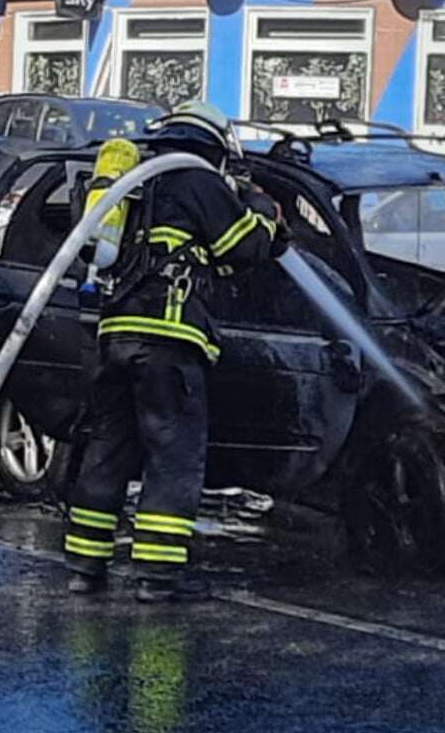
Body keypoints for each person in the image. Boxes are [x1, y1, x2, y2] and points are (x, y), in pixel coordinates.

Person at [65, 102, 289, 601]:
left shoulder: (138, 184)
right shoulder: (196, 181)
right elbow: (244, 248)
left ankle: (85, 566)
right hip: (167, 339)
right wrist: (266, 213)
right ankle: (158, 576)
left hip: (115, 336)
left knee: (108, 451)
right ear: (212, 146)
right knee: (172, 456)